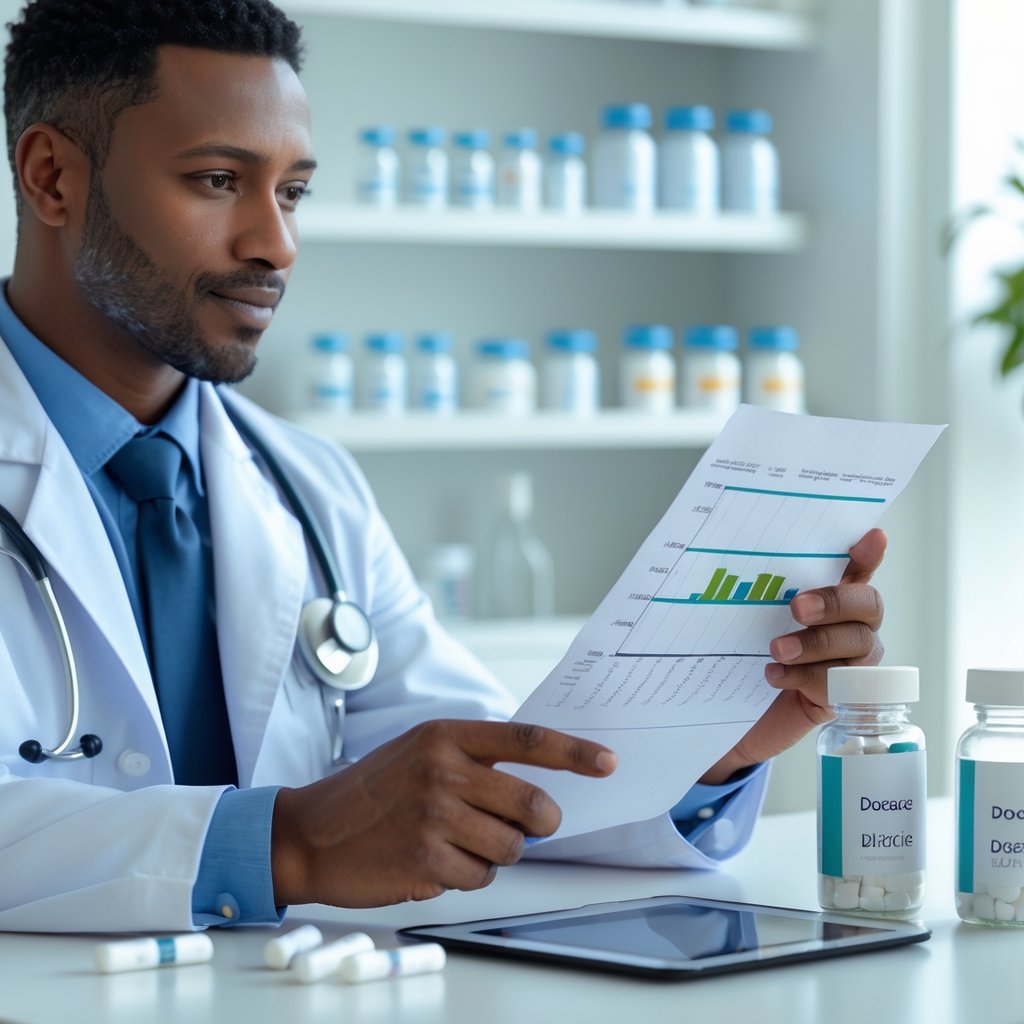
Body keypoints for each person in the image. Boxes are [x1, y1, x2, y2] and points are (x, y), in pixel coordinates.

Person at [0, 0, 886, 933]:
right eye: (219, 179)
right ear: (52, 178)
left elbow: (480, 780)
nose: (276, 244)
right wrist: (288, 843)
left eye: (293, 191)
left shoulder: (309, 487)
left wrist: (712, 748)